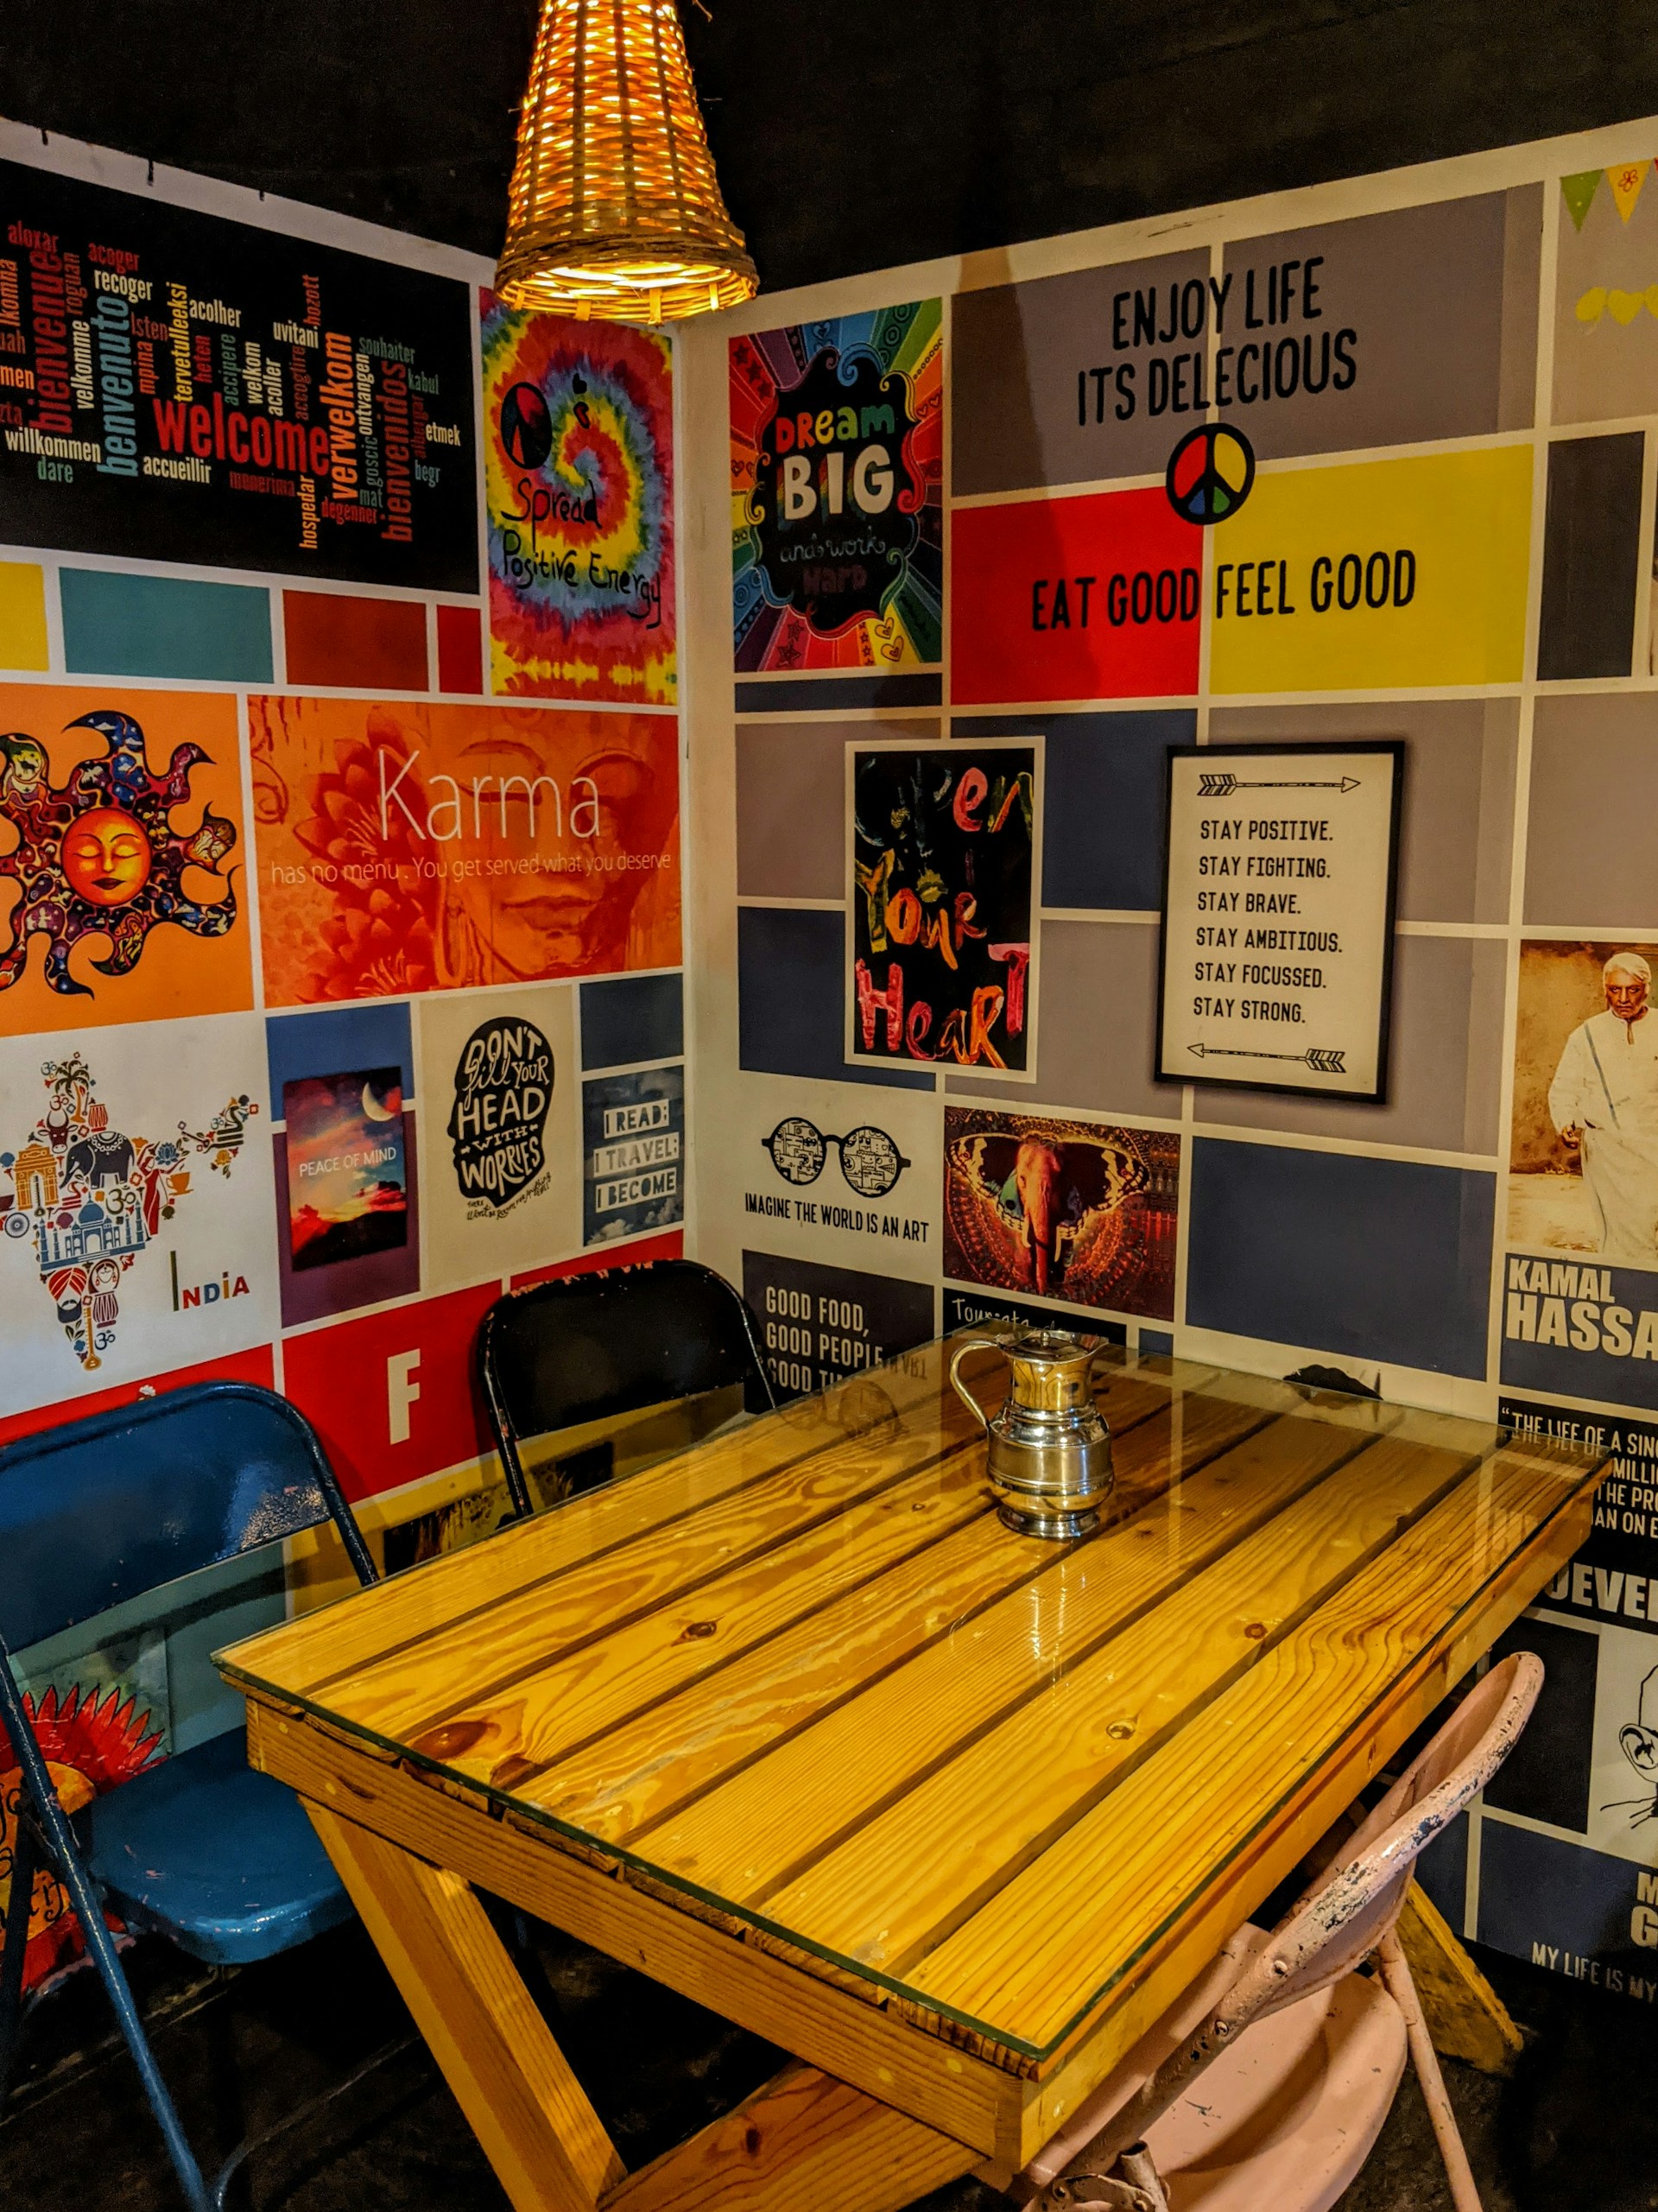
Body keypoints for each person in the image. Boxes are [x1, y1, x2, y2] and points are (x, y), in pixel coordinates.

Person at [1548, 950, 1658, 1266]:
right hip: (1610, 1151)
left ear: (1647, 989)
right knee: (1626, 1238)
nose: (1623, 999)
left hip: (1653, 1146)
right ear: (1605, 989)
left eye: (1632, 989)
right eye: (1614, 989)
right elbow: (1564, 1087)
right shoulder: (1587, 1035)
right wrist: (1565, 1121)